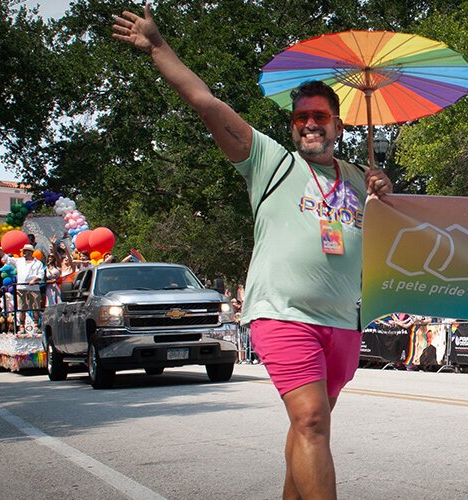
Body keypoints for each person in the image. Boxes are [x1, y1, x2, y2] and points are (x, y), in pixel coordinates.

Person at [112, 7, 393, 499]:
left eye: (320, 117)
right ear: (291, 125)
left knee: (310, 429)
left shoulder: (357, 178)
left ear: (338, 125)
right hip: (283, 314)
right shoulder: (268, 161)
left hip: (344, 321)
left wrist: (384, 193)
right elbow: (206, 102)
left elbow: (390, 241)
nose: (310, 124)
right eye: (301, 117)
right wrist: (158, 46)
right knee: (310, 420)